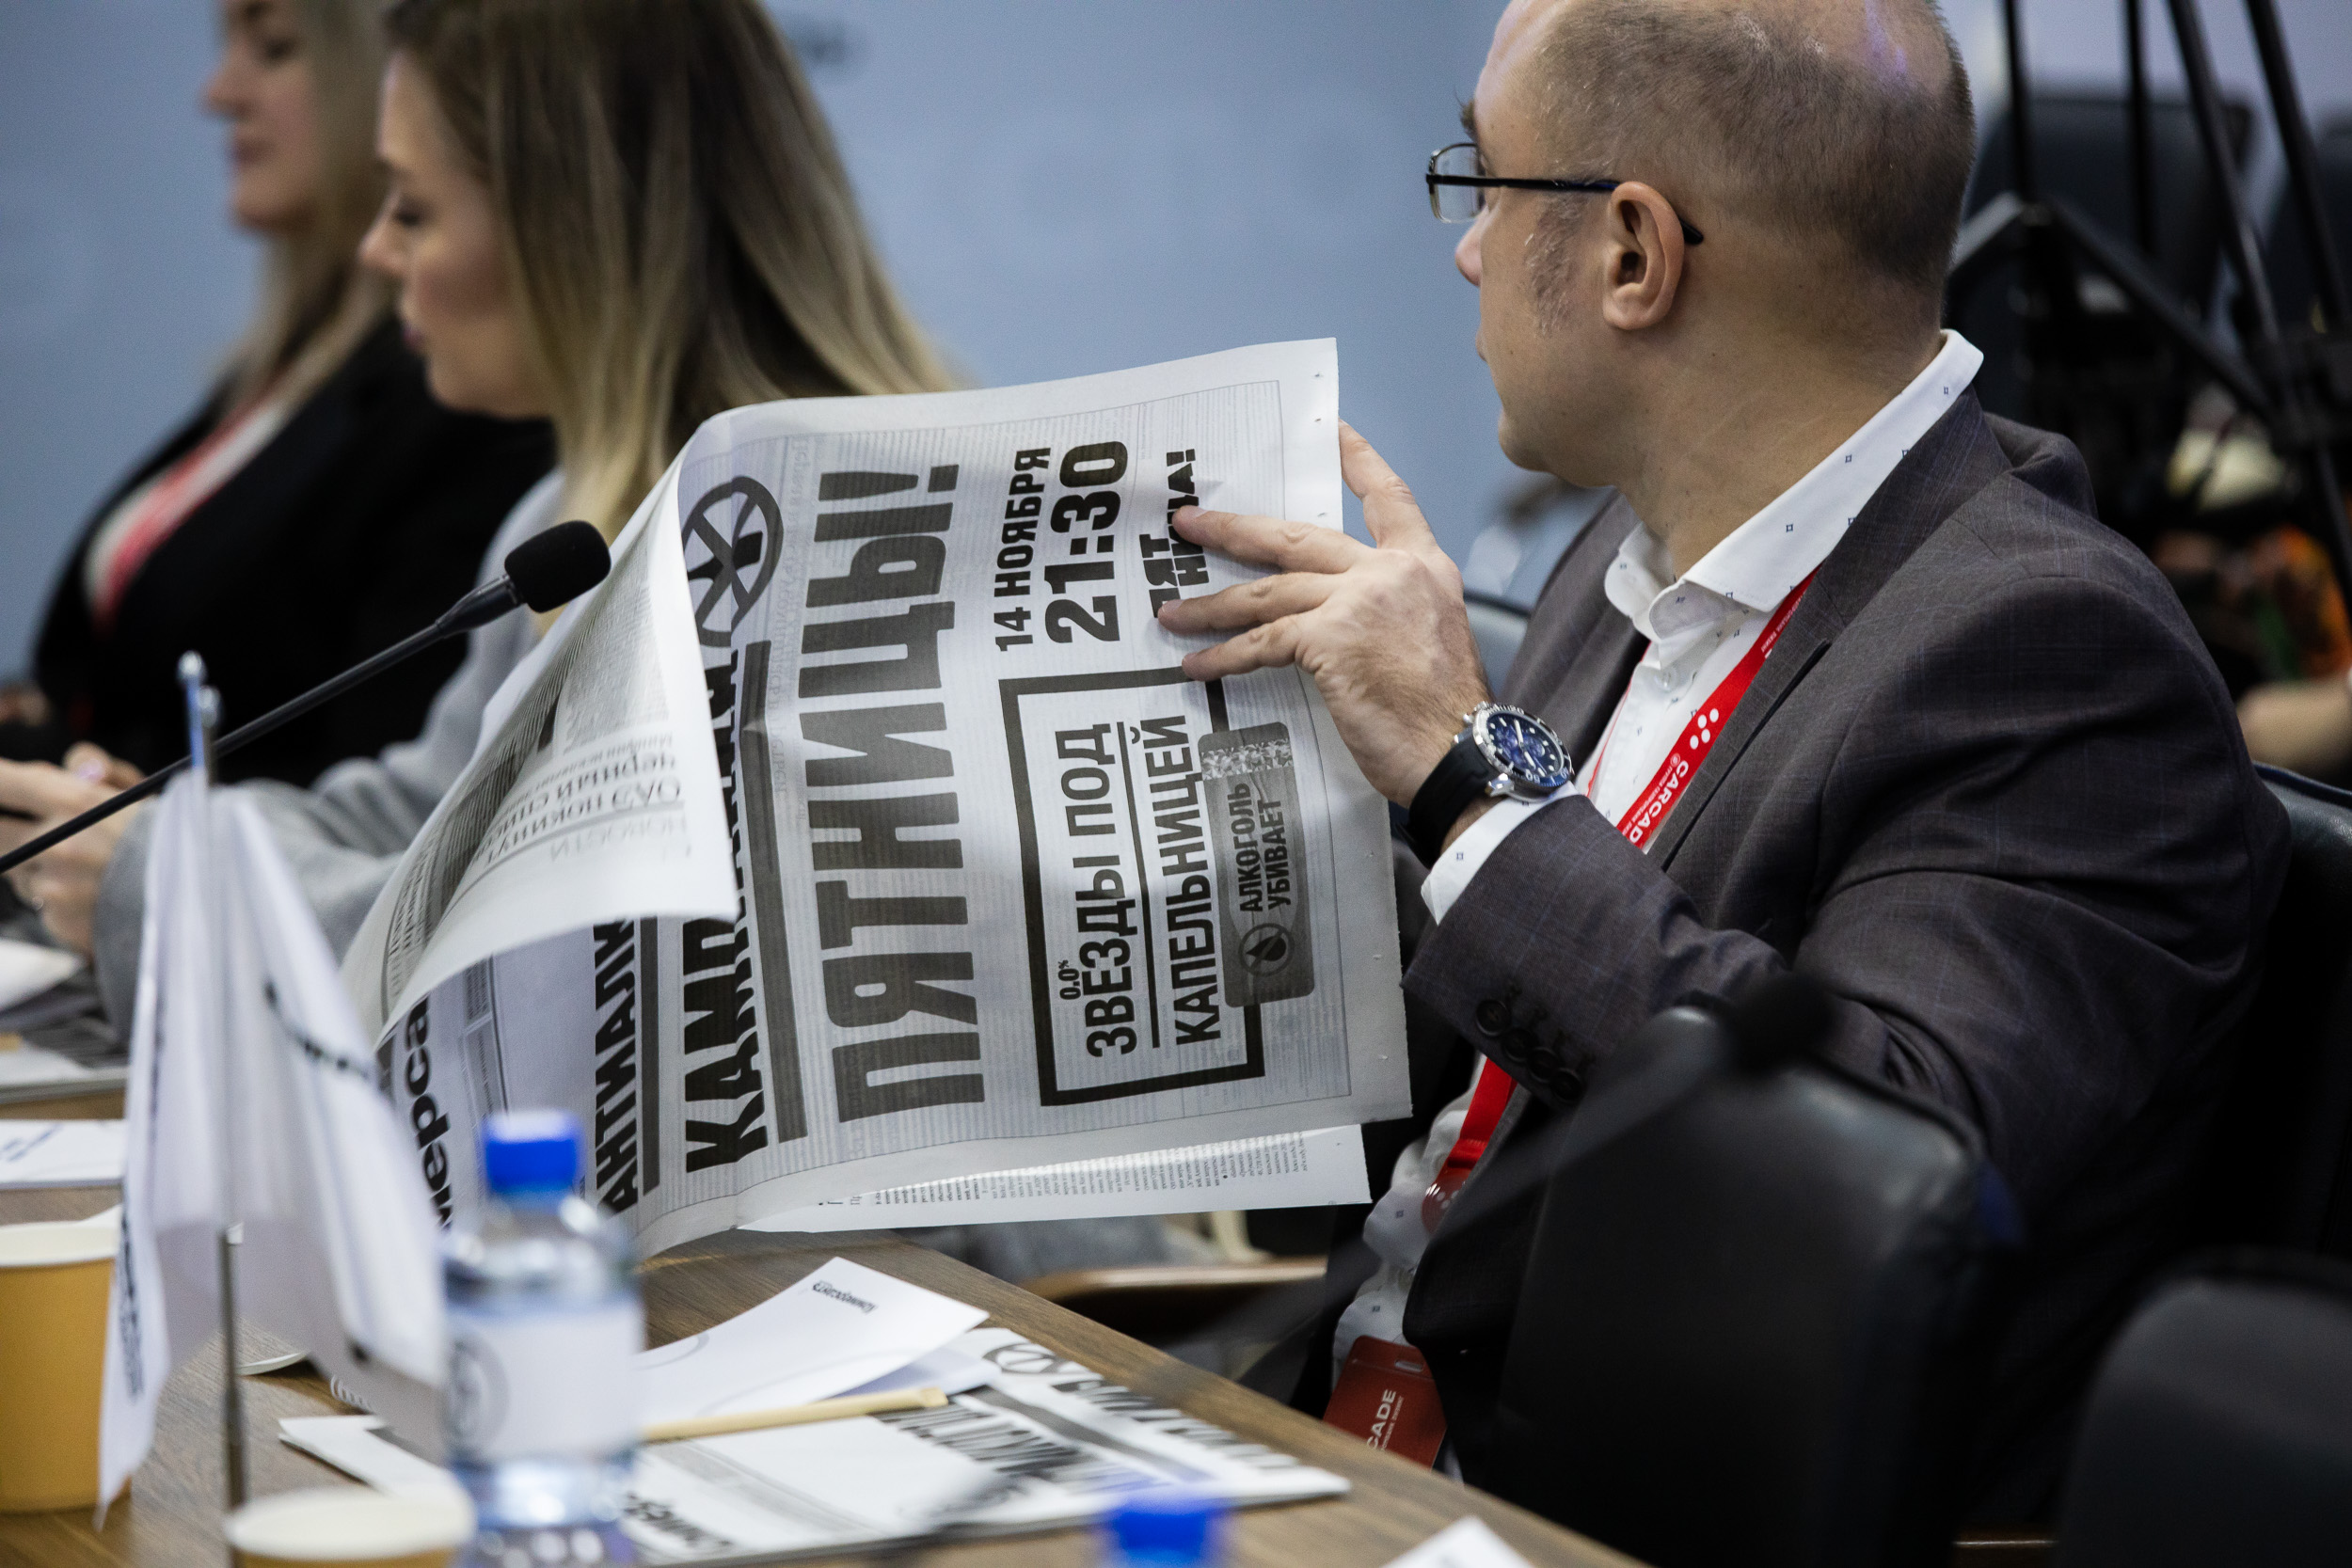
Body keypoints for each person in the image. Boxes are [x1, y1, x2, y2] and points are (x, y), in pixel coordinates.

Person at [1184, 0, 2286, 1518]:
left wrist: (1462, 775)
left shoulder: (2059, 661)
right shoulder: (1630, 555)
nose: (1467, 251)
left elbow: (1874, 1175)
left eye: (1485, 183)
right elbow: (1509, 1001)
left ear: (1635, 255)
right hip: (1328, 1451)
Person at [0, 0, 1183, 1285]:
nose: (378, 252)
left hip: (938, 1303)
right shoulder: (570, 513)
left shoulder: (800, 538)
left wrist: (176, 881)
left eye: (414, 208)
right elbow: (421, 828)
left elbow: (530, 984)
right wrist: (174, 835)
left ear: (563, 225)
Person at [7, 0, 550, 790]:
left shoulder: (461, 394)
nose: (217, 94)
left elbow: (384, 785)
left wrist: (133, 824)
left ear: (385, 73)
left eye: (274, 48)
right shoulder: (285, 367)